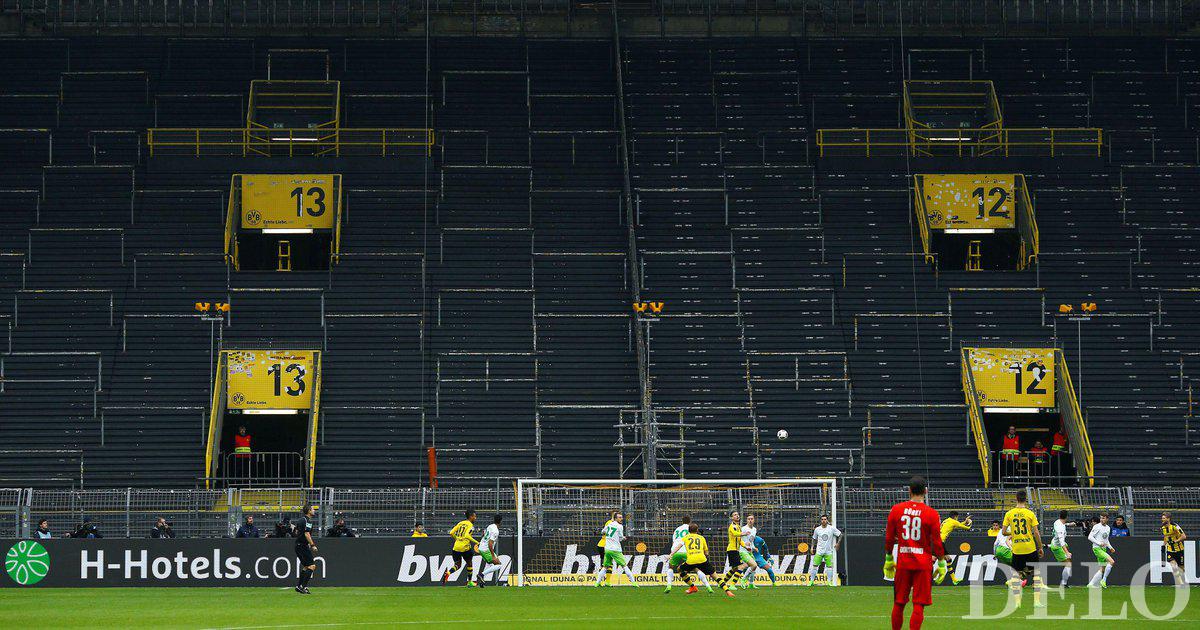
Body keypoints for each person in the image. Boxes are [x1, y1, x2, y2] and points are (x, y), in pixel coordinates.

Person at [883, 477, 947, 630]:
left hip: (904, 562)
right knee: (918, 604)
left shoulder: (896, 509)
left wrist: (889, 558)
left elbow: (889, 537)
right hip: (923, 564)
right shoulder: (932, 514)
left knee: (899, 602)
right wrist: (942, 562)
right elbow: (937, 542)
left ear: (909, 490)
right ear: (926, 491)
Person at [1002, 488, 1044, 608]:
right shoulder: (1030, 513)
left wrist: (1014, 534)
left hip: (1017, 549)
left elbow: (1004, 531)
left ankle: (1017, 603)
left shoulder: (1009, 513)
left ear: (1016, 498)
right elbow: (1036, 533)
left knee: (1016, 576)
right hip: (1030, 548)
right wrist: (1040, 547)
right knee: (1036, 575)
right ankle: (1036, 602)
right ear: (1025, 499)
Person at [679, 522, 736, 597]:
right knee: (715, 576)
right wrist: (705, 556)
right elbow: (706, 551)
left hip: (691, 561)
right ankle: (727, 591)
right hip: (702, 559)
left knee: (680, 569)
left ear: (688, 530)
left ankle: (692, 587)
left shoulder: (685, 537)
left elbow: (679, 545)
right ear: (697, 530)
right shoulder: (702, 538)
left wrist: (671, 554)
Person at [594, 512, 638, 587]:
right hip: (616, 550)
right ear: (615, 518)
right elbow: (620, 538)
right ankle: (634, 583)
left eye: (621, 517)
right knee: (624, 566)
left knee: (605, 567)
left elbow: (603, 532)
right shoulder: (620, 526)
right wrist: (623, 538)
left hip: (607, 549)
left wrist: (609, 535)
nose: (621, 518)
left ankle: (597, 583)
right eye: (619, 517)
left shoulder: (608, 524)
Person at [443, 510, 479, 586]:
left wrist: (457, 539)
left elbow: (451, 532)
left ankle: (448, 573)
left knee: (458, 565)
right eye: (474, 516)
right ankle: (469, 582)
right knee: (469, 563)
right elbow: (467, 535)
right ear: (471, 516)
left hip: (456, 547)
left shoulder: (460, 523)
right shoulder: (470, 525)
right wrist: (477, 542)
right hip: (465, 548)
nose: (475, 518)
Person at [936, 511, 971, 585]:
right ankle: (925, 576)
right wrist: (970, 522)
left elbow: (958, 525)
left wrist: (965, 521)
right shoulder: (953, 522)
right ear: (955, 516)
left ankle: (954, 579)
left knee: (947, 559)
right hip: (940, 542)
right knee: (940, 560)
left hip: (936, 540)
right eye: (957, 517)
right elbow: (967, 528)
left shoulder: (946, 520)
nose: (957, 519)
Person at [808, 514, 842, 587]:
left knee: (829, 567)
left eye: (825, 519)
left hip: (828, 551)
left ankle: (829, 582)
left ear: (827, 520)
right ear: (821, 520)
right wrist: (811, 547)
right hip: (819, 551)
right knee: (814, 566)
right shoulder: (817, 529)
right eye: (822, 519)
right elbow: (814, 538)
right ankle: (811, 581)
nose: (823, 521)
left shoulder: (831, 528)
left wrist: (838, 543)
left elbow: (840, 534)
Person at [725, 511, 755, 590]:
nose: (737, 516)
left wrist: (746, 547)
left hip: (735, 550)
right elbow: (735, 534)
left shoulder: (738, 526)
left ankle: (722, 583)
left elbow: (739, 540)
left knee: (735, 568)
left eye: (737, 514)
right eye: (735, 515)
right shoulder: (733, 526)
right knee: (741, 567)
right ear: (732, 518)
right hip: (732, 549)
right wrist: (744, 533)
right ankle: (732, 585)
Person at [1087, 514, 1116, 588]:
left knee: (1102, 569)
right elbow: (1090, 537)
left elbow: (1106, 540)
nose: (1101, 520)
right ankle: (1103, 580)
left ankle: (1090, 584)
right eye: (1101, 518)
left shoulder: (1108, 528)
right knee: (1111, 561)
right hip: (1097, 548)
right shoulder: (1097, 526)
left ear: (1107, 519)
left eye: (1103, 518)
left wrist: (1110, 547)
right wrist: (1099, 543)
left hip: (1103, 549)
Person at [294, 505, 318, 594]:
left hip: (298, 545)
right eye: (312, 509)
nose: (314, 510)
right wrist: (312, 545)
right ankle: (303, 586)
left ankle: (298, 586)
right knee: (312, 566)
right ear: (308, 511)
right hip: (302, 546)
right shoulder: (308, 521)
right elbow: (307, 534)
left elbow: (296, 531)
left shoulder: (301, 520)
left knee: (306, 567)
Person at [664, 515, 692, 593]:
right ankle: (708, 587)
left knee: (670, 567)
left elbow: (674, 541)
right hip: (686, 551)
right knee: (697, 568)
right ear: (690, 521)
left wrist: (672, 552)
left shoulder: (677, 529)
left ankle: (669, 585)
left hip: (675, 550)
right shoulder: (691, 528)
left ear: (682, 521)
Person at [1048, 510, 1073, 587]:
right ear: (1067, 517)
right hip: (1057, 547)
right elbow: (1061, 541)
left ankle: (1048, 545)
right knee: (1068, 564)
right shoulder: (1061, 528)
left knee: (1066, 545)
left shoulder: (1057, 522)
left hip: (1054, 543)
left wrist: (1069, 524)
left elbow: (1063, 523)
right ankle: (1064, 583)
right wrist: (1067, 552)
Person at [477, 515, 503, 588]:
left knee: (489, 565)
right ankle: (481, 575)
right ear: (501, 521)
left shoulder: (490, 526)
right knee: (499, 564)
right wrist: (493, 555)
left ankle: (482, 583)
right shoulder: (496, 531)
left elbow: (483, 533)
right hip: (486, 549)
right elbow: (490, 543)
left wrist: (481, 542)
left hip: (482, 547)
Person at [1161, 512, 1187, 585]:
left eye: (1164, 518)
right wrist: (1164, 545)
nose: (1162, 519)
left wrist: (1176, 541)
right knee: (1173, 566)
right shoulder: (1163, 528)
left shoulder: (1175, 526)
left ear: (1168, 519)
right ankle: (1180, 583)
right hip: (1170, 550)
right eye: (1162, 518)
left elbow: (1184, 536)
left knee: (1181, 568)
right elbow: (1166, 537)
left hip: (1179, 549)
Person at [593, 510, 617, 585]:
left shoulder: (608, 522)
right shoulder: (613, 524)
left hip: (601, 545)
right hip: (607, 545)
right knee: (608, 564)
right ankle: (607, 582)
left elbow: (603, 532)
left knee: (603, 564)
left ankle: (599, 582)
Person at [738, 514, 761, 589]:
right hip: (743, 550)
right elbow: (738, 539)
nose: (750, 520)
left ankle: (751, 583)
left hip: (750, 551)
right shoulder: (743, 528)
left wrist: (754, 547)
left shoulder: (754, 529)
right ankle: (743, 579)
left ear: (754, 520)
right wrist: (744, 544)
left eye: (752, 519)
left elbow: (751, 541)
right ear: (746, 520)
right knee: (754, 565)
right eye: (749, 519)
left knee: (754, 567)